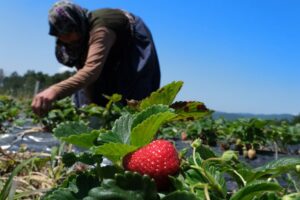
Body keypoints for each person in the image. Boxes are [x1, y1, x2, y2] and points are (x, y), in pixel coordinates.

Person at [32, 1, 161, 116]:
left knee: (135, 93)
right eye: (60, 34)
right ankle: (99, 122)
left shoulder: (102, 29)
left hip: (131, 45)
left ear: (76, 23)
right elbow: (84, 73)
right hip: (105, 53)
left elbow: (91, 71)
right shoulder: (72, 41)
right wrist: (91, 107)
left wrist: (55, 90)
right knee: (91, 96)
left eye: (68, 32)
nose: (65, 38)